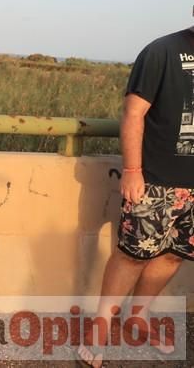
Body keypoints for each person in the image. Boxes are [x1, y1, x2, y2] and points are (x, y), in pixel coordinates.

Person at [78, 26, 194, 367]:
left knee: (174, 254)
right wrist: (132, 170)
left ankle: (138, 317)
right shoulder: (162, 50)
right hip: (155, 180)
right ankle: (100, 325)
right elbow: (133, 112)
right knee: (132, 255)